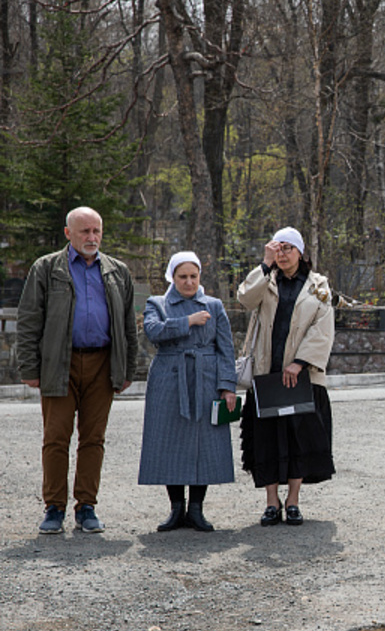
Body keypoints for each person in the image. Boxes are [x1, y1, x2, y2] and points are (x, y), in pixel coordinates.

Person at [17, 207, 138, 535]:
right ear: (68, 233)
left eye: (96, 230)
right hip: (59, 364)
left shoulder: (117, 271)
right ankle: (53, 507)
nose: (92, 237)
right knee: (55, 438)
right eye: (84, 231)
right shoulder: (46, 268)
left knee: (94, 438)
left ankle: (87, 507)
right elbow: (29, 320)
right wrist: (29, 367)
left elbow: (129, 324)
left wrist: (129, 368)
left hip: (102, 363)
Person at [237, 227, 336, 527]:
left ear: (301, 252)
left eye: (288, 248)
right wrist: (264, 264)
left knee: (298, 440)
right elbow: (244, 298)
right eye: (277, 249)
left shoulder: (318, 286)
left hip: (301, 377)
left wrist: (301, 362)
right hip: (266, 373)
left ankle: (293, 501)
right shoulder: (264, 281)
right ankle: (271, 502)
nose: (282, 254)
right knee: (266, 440)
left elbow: (323, 327)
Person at [138, 252, 239, 532]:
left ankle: (196, 509)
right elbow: (152, 331)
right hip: (169, 379)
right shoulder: (157, 303)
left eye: (193, 276)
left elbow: (226, 349)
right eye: (182, 276)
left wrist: (227, 385)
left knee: (203, 442)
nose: (189, 281)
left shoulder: (214, 305)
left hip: (206, 378)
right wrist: (188, 322)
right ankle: (176, 508)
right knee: (170, 441)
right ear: (173, 276)